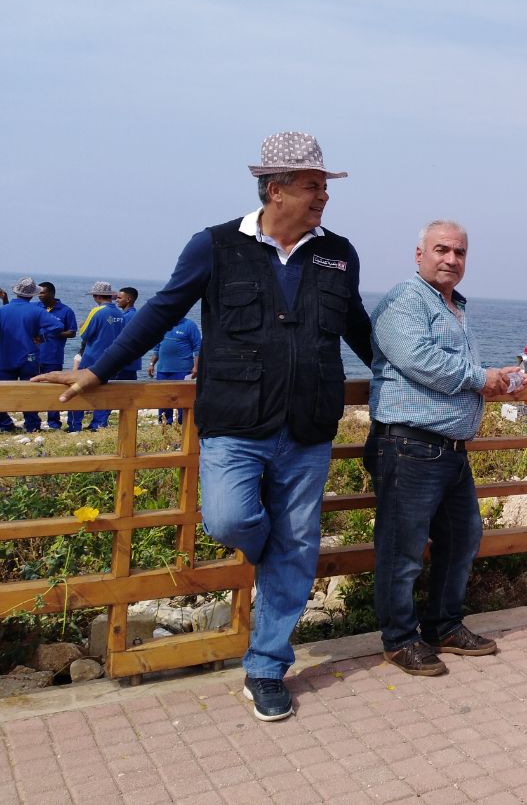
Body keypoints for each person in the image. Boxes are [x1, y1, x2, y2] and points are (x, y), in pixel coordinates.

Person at [35, 131, 372, 722]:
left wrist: (410, 375)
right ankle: (281, 559)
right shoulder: (214, 245)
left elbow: (359, 329)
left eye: (324, 185)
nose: (324, 195)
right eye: (313, 185)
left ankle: (266, 666)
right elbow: (162, 310)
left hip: (310, 426)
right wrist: (97, 369)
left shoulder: (338, 254)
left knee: (297, 544)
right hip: (235, 422)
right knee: (228, 519)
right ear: (275, 189)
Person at [367, 220, 525, 676]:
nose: (451, 259)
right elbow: (420, 360)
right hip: (409, 444)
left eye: (459, 252)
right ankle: (399, 639)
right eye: (441, 250)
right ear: (419, 255)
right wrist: (481, 378)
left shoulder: (455, 307)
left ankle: (443, 626)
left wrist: (497, 379)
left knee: (462, 538)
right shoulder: (405, 299)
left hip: (450, 449)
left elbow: (454, 368)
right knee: (403, 549)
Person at [66, 282, 127, 433]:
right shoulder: (120, 314)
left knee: (79, 389)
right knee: (104, 392)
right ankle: (99, 425)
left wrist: (82, 325)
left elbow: (84, 334)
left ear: (96, 296)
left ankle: (75, 425)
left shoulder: (97, 311)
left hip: (93, 358)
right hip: (112, 359)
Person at [0, 277, 47, 434]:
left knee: (2, 391)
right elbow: (57, 326)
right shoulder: (36, 310)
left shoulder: (3, 311)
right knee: (30, 391)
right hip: (29, 357)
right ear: (32, 294)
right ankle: (32, 425)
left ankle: (5, 423)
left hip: (5, 357)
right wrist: (41, 336)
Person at [37, 282, 77, 430]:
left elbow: (72, 332)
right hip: (34, 356)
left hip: (53, 356)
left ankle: (53, 423)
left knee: (53, 389)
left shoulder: (66, 311)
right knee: (32, 388)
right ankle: (33, 422)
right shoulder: (35, 308)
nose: (39, 295)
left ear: (52, 293)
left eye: (42, 293)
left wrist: (54, 334)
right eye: (38, 293)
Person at [148, 317, 202, 425]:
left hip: (183, 371)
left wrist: (196, 367)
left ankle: (183, 425)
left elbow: (198, 348)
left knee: (183, 401)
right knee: (163, 400)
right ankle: (165, 425)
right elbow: (157, 348)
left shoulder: (189, 325)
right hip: (163, 371)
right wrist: (151, 364)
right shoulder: (163, 325)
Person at [114, 287, 143, 380]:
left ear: (128, 299)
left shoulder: (126, 317)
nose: (116, 300)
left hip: (123, 362)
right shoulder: (135, 315)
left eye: (119, 298)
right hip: (131, 362)